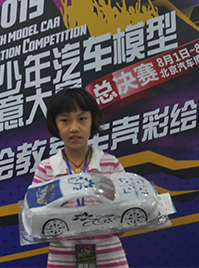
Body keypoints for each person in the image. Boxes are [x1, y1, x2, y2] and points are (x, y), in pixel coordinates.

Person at [32, 87, 129, 268]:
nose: (74, 128)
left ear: (93, 120)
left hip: (109, 258)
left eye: (82, 119)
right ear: (55, 124)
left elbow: (125, 212)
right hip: (62, 260)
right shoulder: (46, 169)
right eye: (65, 120)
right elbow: (36, 218)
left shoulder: (110, 164)